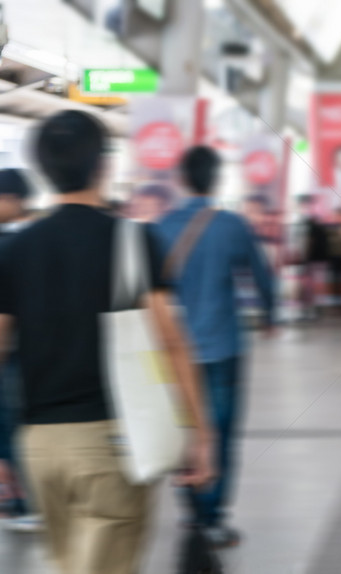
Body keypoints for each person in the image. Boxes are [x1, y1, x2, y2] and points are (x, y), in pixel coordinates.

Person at [0, 110, 214, 574]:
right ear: (104, 163)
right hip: (112, 444)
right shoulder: (132, 241)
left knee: (66, 564)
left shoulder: (16, 248)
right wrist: (199, 431)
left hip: (40, 448)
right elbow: (173, 344)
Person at [157, 145, 276, 548]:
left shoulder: (161, 227)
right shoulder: (232, 225)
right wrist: (270, 313)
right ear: (216, 179)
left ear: (182, 179)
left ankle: (192, 510)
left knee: (185, 427)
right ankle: (213, 516)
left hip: (174, 350)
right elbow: (259, 275)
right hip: (223, 346)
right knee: (221, 431)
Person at [0, 168, 41, 532]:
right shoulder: (41, 240)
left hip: (11, 352)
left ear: (14, 199)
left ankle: (22, 502)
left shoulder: (9, 244)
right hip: (38, 350)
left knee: (10, 426)